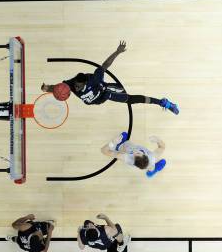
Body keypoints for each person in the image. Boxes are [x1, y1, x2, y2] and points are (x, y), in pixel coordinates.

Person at [41, 41, 179, 114]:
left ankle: (162, 102)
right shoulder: (68, 85)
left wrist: (117, 51)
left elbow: (106, 64)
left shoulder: (95, 78)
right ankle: (162, 102)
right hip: (96, 101)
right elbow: (57, 89)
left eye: (78, 86)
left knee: (130, 99)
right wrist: (48, 88)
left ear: (85, 83)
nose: (75, 88)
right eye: (75, 86)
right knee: (128, 100)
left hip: (105, 93)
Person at [101, 132, 166, 174]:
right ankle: (152, 172)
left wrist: (112, 142)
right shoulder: (152, 157)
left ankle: (119, 145)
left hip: (121, 146)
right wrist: (158, 140)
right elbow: (162, 147)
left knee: (124, 135)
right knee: (151, 166)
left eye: (135, 154)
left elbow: (104, 151)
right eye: (138, 153)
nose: (135, 152)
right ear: (145, 155)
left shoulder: (126, 157)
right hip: (128, 146)